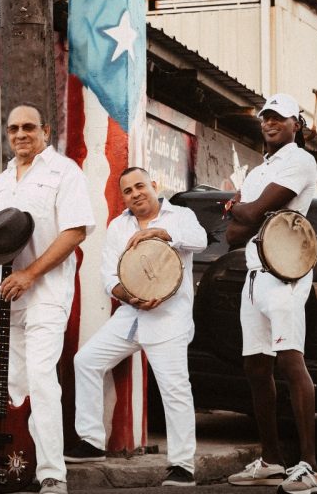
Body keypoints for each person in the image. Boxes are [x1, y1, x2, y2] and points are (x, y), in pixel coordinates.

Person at [63, 167, 207, 487]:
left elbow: (200, 240)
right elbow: (109, 277)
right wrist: (127, 295)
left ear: (154, 186)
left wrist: (161, 233)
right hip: (131, 316)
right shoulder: (118, 225)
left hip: (169, 318)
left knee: (174, 389)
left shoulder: (180, 215)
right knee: (86, 361)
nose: (135, 194)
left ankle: (183, 465)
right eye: (128, 191)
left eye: (140, 186)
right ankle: (91, 442)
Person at [0, 103, 95, 494]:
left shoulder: (64, 172)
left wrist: (31, 274)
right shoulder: (1, 178)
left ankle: (52, 474)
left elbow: (75, 231)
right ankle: (19, 466)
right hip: (8, 299)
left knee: (43, 379)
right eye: (13, 128)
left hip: (46, 294)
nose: (20, 134)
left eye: (29, 127)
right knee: (14, 386)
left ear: (45, 130)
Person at [224, 93, 317, 494]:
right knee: (256, 367)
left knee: (289, 360)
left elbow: (254, 211)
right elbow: (235, 232)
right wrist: (243, 210)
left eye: (279, 118)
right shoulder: (258, 169)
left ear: (296, 124)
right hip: (253, 273)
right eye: (265, 117)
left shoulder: (299, 160)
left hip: (284, 271)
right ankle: (272, 460)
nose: (269, 123)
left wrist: (240, 208)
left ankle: (311, 467)